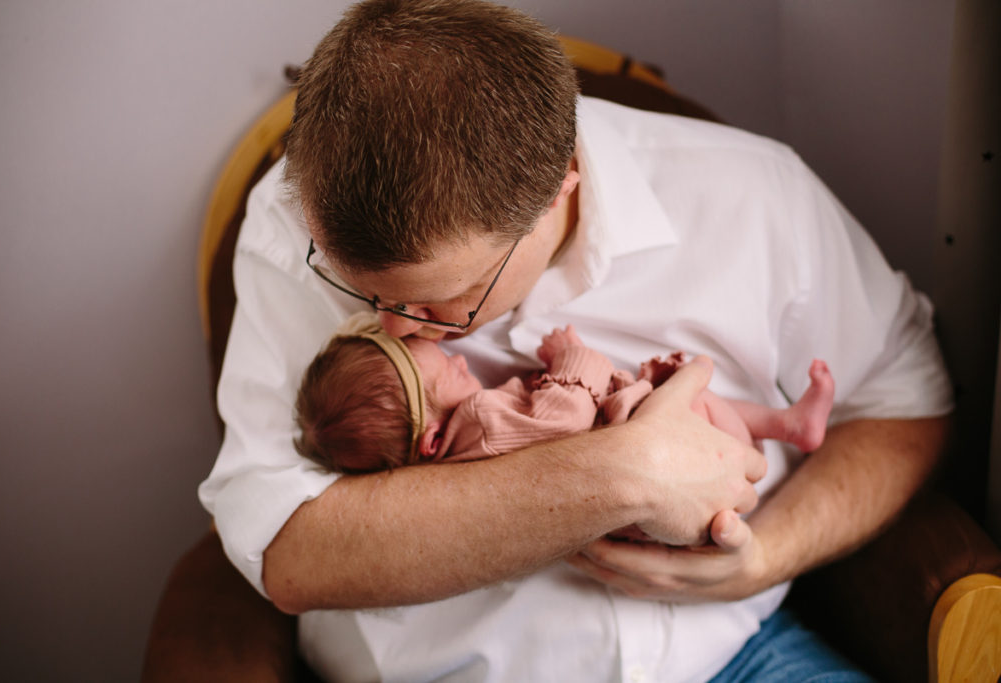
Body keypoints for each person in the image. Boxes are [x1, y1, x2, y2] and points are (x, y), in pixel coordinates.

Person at [199, 0, 953, 680]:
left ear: (563, 185)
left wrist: (762, 560)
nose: (393, 330)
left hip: (738, 655)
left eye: (442, 299)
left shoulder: (752, 194)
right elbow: (286, 544)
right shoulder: (284, 222)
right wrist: (625, 472)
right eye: (361, 287)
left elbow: (904, 394)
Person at [293, 316, 835, 480]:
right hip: (672, 451)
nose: (462, 360)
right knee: (688, 397)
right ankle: (785, 425)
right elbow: (566, 419)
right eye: (450, 373)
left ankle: (789, 426)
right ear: (431, 439)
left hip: (690, 468)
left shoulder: (460, 450)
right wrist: (569, 357)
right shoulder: (480, 423)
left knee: (689, 399)